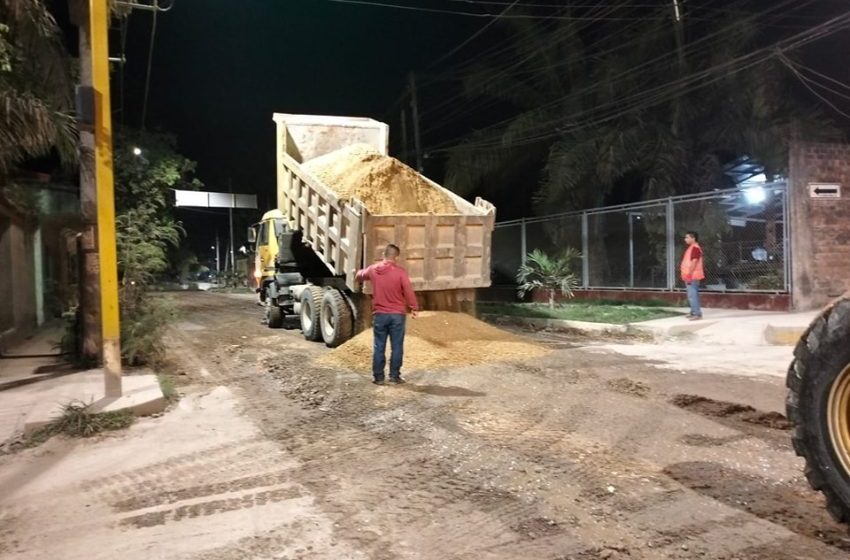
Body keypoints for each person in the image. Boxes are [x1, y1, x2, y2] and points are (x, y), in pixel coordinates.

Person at [355, 244, 419, 385]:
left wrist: (358, 273)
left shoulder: (373, 269)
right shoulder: (400, 272)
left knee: (379, 346)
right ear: (396, 257)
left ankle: (378, 378)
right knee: (397, 346)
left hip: (380, 314)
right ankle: (394, 376)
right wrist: (414, 307)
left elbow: (359, 276)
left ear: (383, 254)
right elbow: (408, 291)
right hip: (397, 315)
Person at [681, 231, 705, 320]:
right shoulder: (692, 248)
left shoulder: (695, 248)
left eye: (687, 237)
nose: (685, 239)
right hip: (691, 275)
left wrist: (689, 274)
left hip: (692, 276)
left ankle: (697, 314)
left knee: (692, 295)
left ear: (693, 238)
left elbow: (694, 262)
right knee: (692, 294)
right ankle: (693, 311)